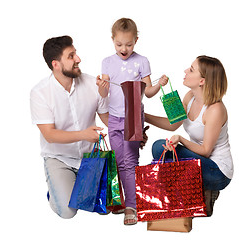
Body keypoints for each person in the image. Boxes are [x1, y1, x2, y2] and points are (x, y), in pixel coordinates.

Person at [96, 18, 168, 225]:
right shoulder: (107, 62)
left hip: (134, 117)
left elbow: (149, 92)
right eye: (119, 44)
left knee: (130, 162)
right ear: (113, 40)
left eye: (128, 44)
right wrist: (101, 85)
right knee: (119, 162)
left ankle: (132, 206)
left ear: (136, 40)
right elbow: (104, 92)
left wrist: (159, 84)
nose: (124, 49)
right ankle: (123, 201)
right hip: (114, 118)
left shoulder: (142, 61)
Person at [30, 35, 109, 219]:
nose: (78, 59)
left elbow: (106, 118)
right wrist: (83, 135)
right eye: (71, 56)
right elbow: (49, 135)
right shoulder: (40, 93)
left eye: (76, 54)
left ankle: (73, 187)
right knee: (68, 211)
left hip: (90, 158)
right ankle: (58, 188)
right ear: (56, 64)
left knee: (104, 206)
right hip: (59, 159)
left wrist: (129, 133)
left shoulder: (92, 83)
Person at [145, 55, 234, 216]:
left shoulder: (215, 110)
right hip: (197, 161)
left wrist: (180, 139)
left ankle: (206, 188)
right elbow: (173, 124)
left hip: (217, 171)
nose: (186, 71)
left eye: (192, 70)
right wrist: (143, 116)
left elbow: (206, 150)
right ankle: (195, 193)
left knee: (161, 148)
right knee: (159, 149)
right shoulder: (189, 97)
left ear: (202, 81)